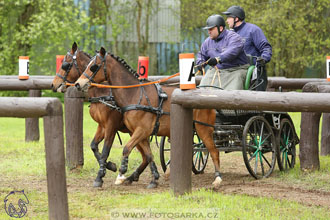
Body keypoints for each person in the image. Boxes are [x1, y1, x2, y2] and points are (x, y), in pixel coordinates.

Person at [223, 5, 272, 91]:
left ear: (236, 18)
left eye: (228, 17)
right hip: (233, 73)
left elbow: (266, 48)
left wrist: (263, 59)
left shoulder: (253, 30)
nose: (226, 21)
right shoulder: (228, 34)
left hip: (253, 74)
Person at [196, 14, 249, 90]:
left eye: (211, 29)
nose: (209, 32)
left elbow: (232, 51)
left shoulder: (234, 37)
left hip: (236, 70)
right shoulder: (207, 41)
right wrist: (200, 63)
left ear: (220, 28)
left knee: (233, 90)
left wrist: (218, 59)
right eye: (208, 29)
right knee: (203, 87)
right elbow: (201, 54)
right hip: (217, 70)